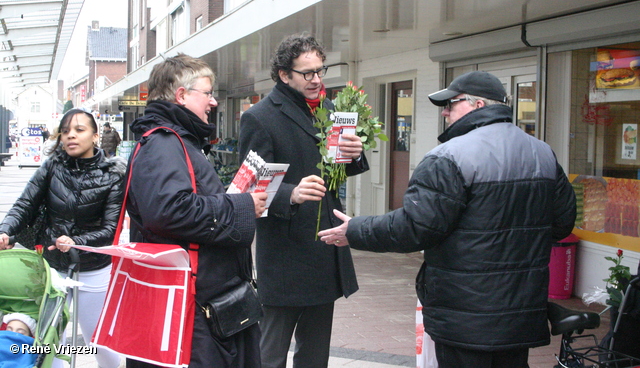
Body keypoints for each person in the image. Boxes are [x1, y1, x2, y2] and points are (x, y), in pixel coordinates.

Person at [318, 71, 577, 368]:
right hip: (519, 313)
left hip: (463, 314)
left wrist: (356, 229)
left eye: (451, 104)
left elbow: (415, 228)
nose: (444, 112)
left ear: (478, 105)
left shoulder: (449, 157)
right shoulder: (542, 154)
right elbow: (562, 223)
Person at [124, 53, 268, 368]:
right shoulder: (164, 143)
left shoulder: (176, 140)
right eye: (207, 93)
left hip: (201, 305)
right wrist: (242, 205)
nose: (213, 102)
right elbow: (168, 210)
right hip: (193, 312)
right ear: (182, 95)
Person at [239, 34, 369, 368]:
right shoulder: (260, 117)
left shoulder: (329, 109)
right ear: (284, 74)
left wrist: (354, 156)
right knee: (270, 356)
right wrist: (291, 193)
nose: (317, 80)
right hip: (284, 257)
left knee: (314, 356)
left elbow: (335, 174)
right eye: (307, 73)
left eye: (320, 71)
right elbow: (249, 187)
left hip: (324, 250)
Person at [0, 108, 126, 368]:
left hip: (93, 268)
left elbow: (110, 230)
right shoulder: (52, 166)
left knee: (98, 340)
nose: (71, 136)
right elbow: (25, 204)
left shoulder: (113, 174)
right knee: (51, 339)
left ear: (94, 136)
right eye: (66, 131)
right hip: (52, 269)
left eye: (79, 130)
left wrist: (76, 242)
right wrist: (5, 230)